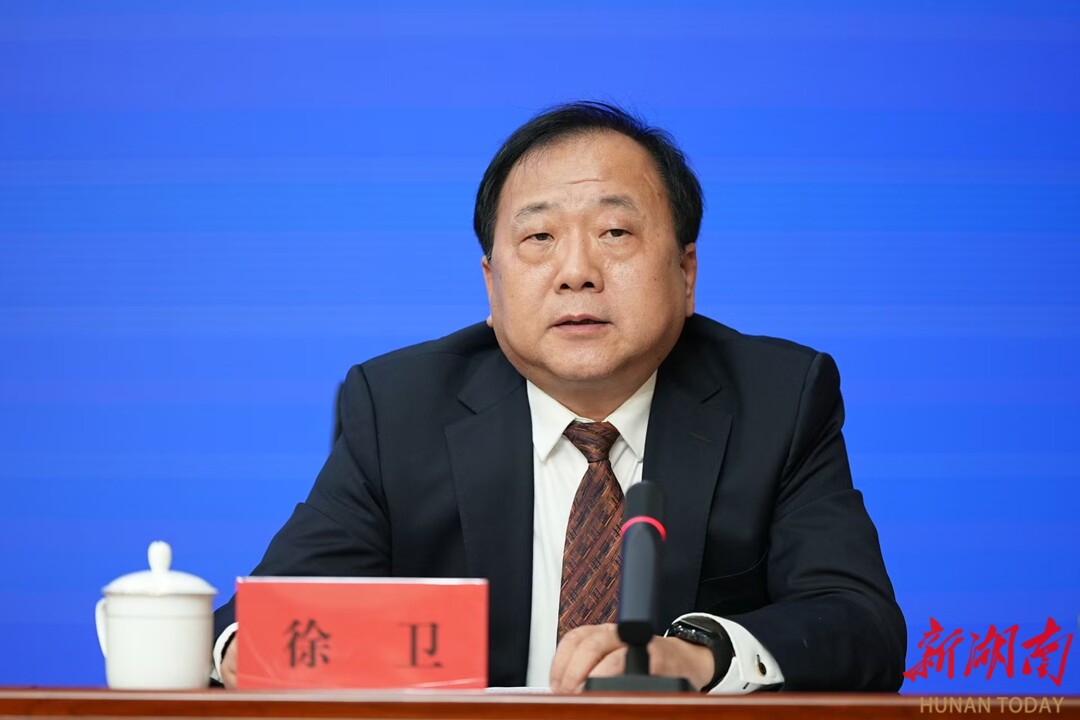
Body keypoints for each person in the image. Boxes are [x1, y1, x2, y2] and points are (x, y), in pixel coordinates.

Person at [212, 101, 906, 692]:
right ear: (491, 286)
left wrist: (700, 655)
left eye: (615, 233)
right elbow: (258, 621)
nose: (577, 271)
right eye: (539, 237)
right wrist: (249, 651)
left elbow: (860, 623)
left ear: (686, 271)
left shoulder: (777, 400)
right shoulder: (399, 409)